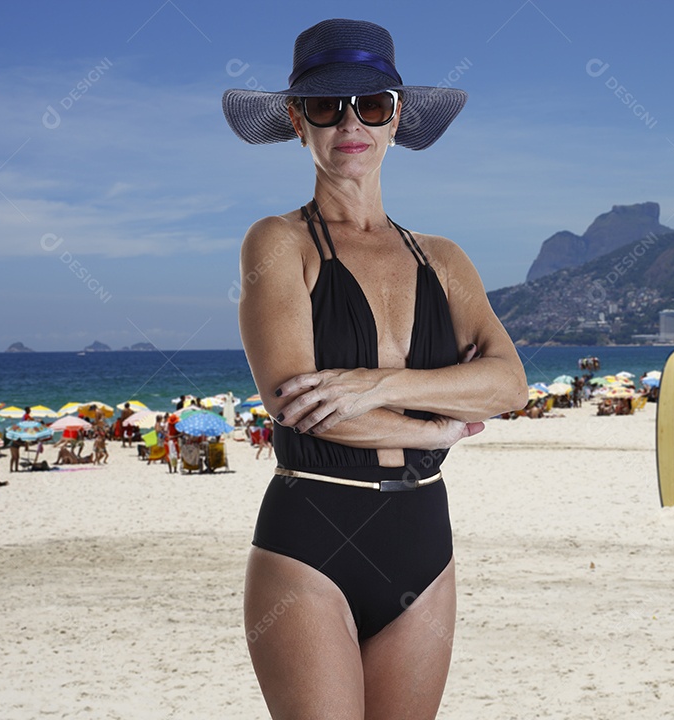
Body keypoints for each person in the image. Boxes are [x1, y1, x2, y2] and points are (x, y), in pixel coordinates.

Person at [225, 19, 527, 718]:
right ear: (299, 123)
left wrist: (381, 384)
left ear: (396, 119)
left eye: (372, 105)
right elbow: (295, 406)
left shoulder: (444, 261)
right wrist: (438, 430)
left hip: (424, 541)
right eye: (328, 107)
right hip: (311, 536)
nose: (350, 123)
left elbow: (510, 384)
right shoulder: (278, 243)